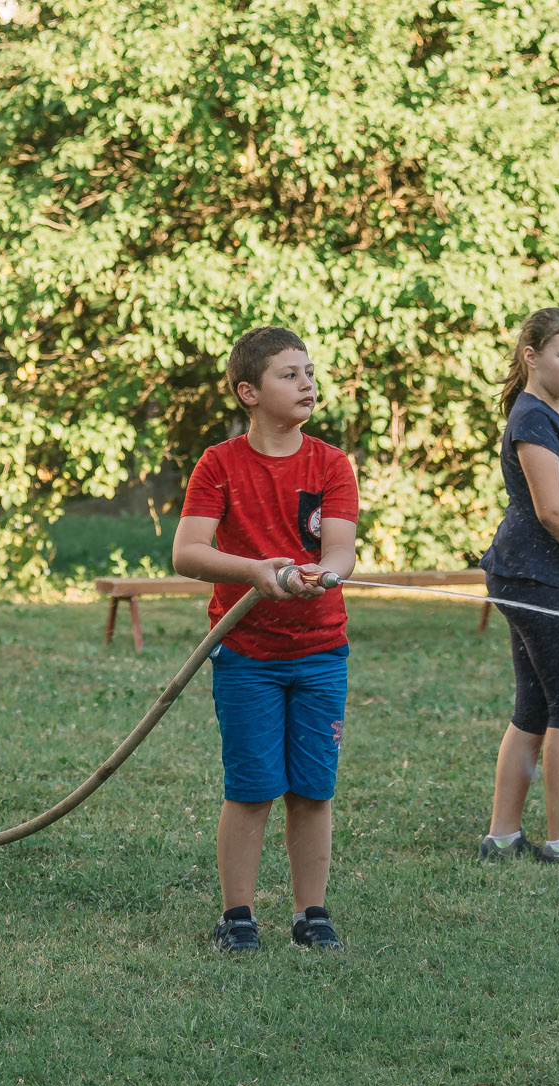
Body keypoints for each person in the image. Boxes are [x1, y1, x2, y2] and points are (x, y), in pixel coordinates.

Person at [170, 326, 358, 953]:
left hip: (321, 652)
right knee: (251, 789)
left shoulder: (331, 464)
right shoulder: (219, 464)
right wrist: (254, 571)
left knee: (313, 789)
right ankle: (238, 917)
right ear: (248, 392)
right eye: (289, 374)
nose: (307, 383)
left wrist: (323, 575)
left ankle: (312, 914)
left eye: (310, 372)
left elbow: (340, 548)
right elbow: (187, 552)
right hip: (246, 655)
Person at [477, 308, 559, 864]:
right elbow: (552, 512)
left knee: (533, 706)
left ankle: (502, 837)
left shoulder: (557, 415)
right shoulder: (531, 418)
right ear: (531, 356)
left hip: (543, 576)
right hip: (535, 576)